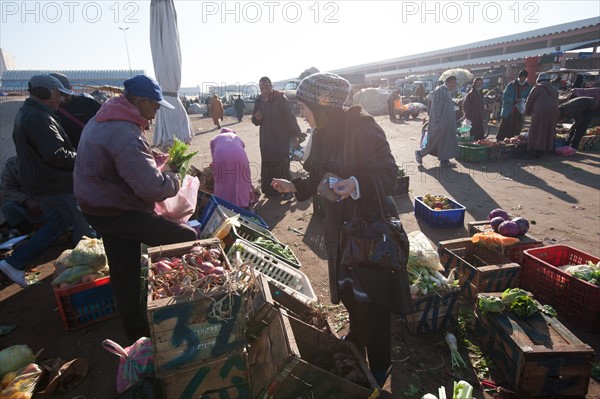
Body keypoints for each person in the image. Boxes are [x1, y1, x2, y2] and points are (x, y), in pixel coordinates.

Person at [270, 73, 414, 387]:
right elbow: (318, 175)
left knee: (373, 299)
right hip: (339, 227)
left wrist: (358, 184)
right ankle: (356, 343)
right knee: (350, 291)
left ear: (324, 105)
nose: (301, 113)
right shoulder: (321, 133)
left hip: (368, 228)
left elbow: (388, 175)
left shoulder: (363, 129)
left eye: (304, 106)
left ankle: (378, 368)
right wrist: (294, 186)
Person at [73, 75, 197, 341]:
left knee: (123, 266)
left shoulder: (103, 118)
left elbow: (121, 164)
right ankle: (188, 304)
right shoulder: (126, 133)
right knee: (187, 237)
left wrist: (152, 161)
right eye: (154, 106)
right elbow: (152, 188)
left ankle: (134, 330)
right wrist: (173, 176)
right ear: (140, 101)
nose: (154, 115)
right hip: (116, 210)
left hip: (96, 206)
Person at [0, 75, 94, 288]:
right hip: (54, 184)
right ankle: (89, 277)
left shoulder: (31, 113)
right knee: (84, 229)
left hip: (43, 184)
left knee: (57, 225)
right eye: (57, 93)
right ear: (44, 92)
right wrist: (83, 158)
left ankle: (14, 262)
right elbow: (55, 154)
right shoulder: (38, 117)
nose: (60, 98)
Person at [251, 76, 301, 200]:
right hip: (266, 139)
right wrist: (256, 118)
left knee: (282, 164)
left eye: (267, 87)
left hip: (280, 138)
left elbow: (290, 117)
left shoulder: (280, 99)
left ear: (271, 86)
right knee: (268, 163)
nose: (264, 90)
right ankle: (270, 190)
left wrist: (295, 136)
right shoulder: (259, 101)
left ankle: (288, 191)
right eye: (262, 88)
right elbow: (255, 120)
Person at [415, 76, 460, 167]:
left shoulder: (447, 91)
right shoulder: (441, 90)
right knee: (434, 141)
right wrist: (438, 122)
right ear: (447, 82)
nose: (454, 85)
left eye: (455, 83)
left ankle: (444, 161)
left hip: (447, 122)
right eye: (452, 83)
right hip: (441, 122)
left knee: (445, 142)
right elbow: (436, 109)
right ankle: (420, 153)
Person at [49, 72, 102, 149]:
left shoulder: (88, 103)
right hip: (68, 155)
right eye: (59, 94)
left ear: (71, 89)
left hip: (92, 150)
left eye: (65, 94)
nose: (62, 98)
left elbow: (107, 123)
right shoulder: (49, 109)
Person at [0, 156, 46, 234]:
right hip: (32, 205)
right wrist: (26, 200)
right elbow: (8, 188)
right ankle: (29, 234)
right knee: (8, 207)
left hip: (52, 201)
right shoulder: (12, 163)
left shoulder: (46, 157)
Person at [210, 128, 252, 209]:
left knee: (222, 182)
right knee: (242, 180)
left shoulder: (215, 139)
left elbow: (213, 155)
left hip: (220, 159)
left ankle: (223, 204)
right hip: (240, 158)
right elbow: (242, 148)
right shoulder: (237, 137)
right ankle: (244, 203)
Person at [525, 73, 559, 158]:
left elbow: (529, 101)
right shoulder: (554, 90)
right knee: (548, 130)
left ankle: (533, 151)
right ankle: (544, 151)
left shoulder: (537, 88)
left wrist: (527, 112)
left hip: (540, 112)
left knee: (536, 130)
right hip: (553, 113)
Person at [496, 69, 532, 141]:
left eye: (524, 78)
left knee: (517, 128)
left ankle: (513, 141)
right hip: (509, 110)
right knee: (504, 126)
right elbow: (505, 97)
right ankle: (500, 141)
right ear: (519, 77)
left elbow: (529, 97)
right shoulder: (511, 85)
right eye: (521, 78)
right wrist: (514, 100)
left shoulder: (528, 86)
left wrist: (524, 100)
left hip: (520, 111)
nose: (523, 79)